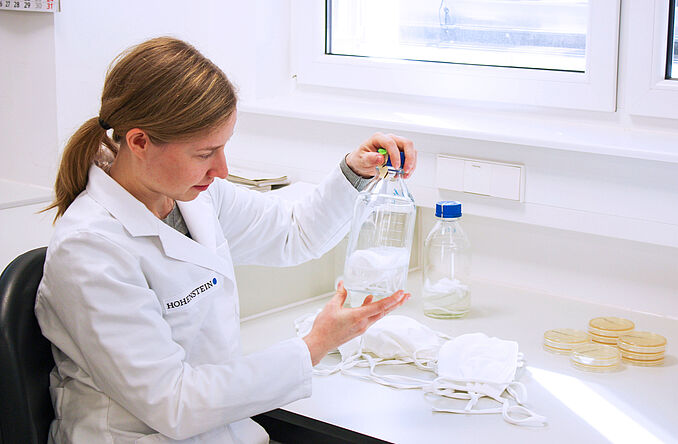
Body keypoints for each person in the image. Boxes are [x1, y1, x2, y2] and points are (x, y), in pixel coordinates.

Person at [35, 37, 417, 444]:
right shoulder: (90, 250)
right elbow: (173, 403)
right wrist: (314, 345)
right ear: (139, 142)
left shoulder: (192, 195)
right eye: (205, 153)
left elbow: (293, 234)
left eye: (223, 147)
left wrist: (355, 172)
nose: (221, 168)